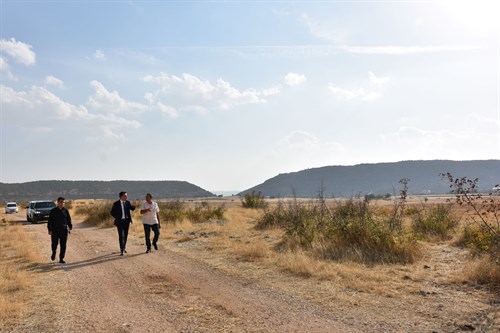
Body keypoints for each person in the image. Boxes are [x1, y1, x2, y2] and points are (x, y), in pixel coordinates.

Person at [47, 197, 72, 263]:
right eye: (61, 202)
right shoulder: (53, 211)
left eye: (63, 202)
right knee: (54, 244)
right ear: (57, 202)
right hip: (55, 231)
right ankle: (54, 252)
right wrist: (50, 229)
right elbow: (50, 221)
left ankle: (61, 258)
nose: (62, 203)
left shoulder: (66, 211)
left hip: (64, 230)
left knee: (63, 245)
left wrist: (70, 227)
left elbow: (68, 220)